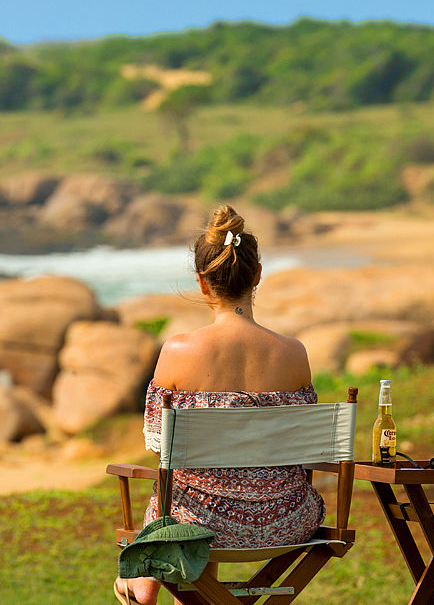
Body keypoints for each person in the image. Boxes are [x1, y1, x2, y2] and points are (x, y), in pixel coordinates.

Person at [114, 205, 320, 605]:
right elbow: (304, 445)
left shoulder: (177, 351)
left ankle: (142, 582)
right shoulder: (295, 353)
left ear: (202, 283)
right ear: (257, 275)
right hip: (288, 521)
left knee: (184, 503)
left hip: (199, 524)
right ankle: (161, 588)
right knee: (197, 502)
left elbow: (158, 444)